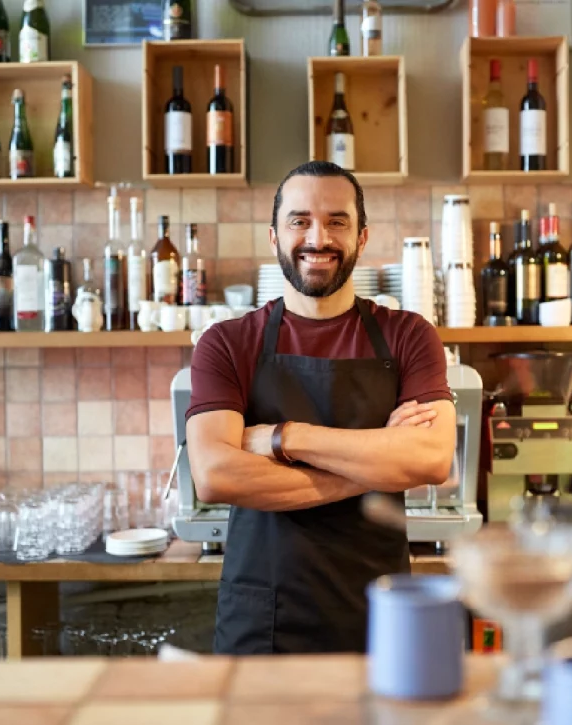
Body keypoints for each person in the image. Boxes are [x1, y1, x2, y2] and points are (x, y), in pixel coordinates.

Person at [186, 161, 456, 655]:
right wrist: (380, 466)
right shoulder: (226, 344)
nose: (318, 237)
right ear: (273, 237)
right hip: (264, 619)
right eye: (299, 220)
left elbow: (432, 460)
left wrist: (283, 438)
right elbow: (216, 476)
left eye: (337, 221)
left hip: (381, 615)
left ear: (362, 236)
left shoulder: (409, 336)